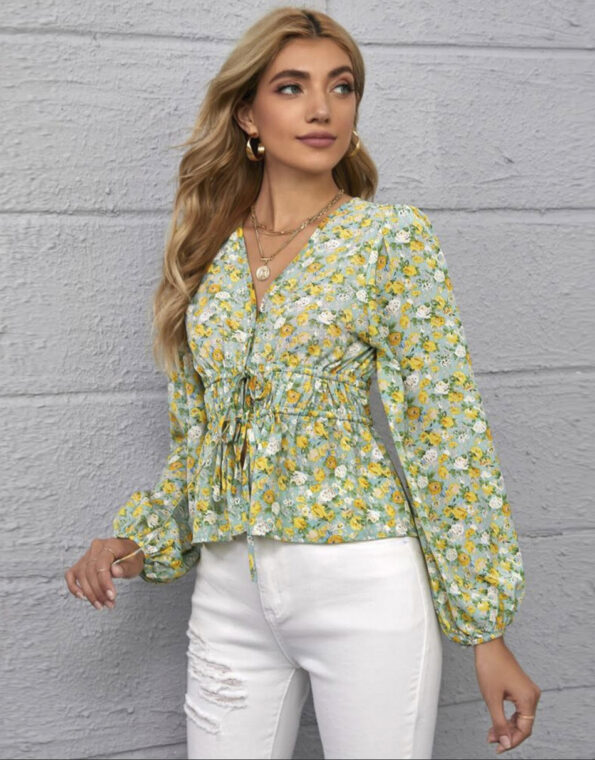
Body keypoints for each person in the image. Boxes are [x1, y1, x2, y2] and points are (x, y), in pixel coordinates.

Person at [64, 7, 541, 759]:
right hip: (229, 592)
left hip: (362, 585)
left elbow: (444, 431)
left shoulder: (389, 240)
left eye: (341, 87)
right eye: (292, 87)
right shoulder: (206, 257)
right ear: (248, 114)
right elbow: (201, 444)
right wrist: (140, 538)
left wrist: (486, 631)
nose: (322, 108)